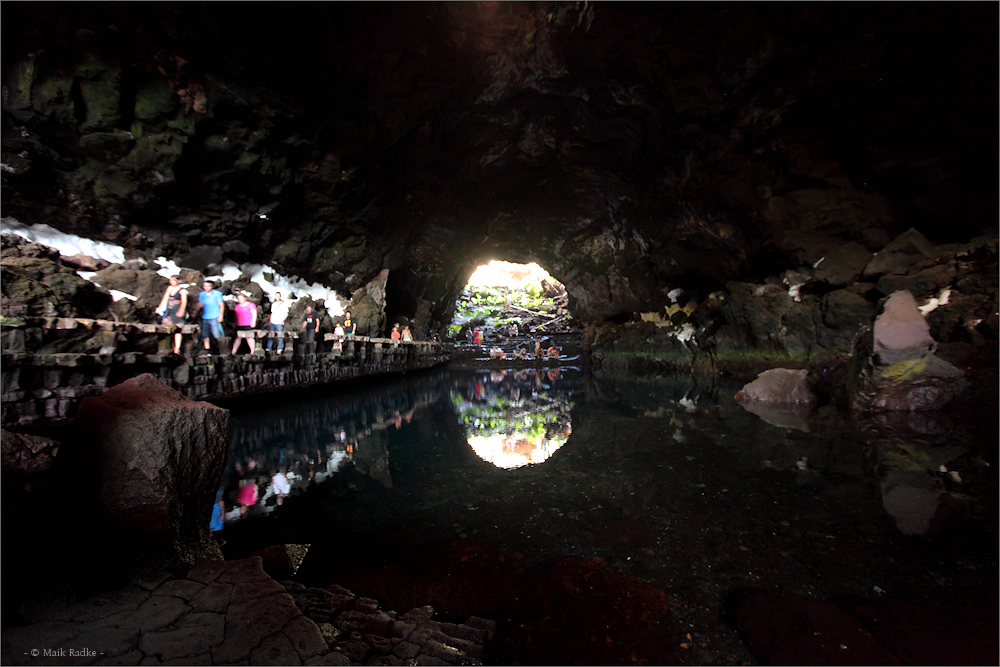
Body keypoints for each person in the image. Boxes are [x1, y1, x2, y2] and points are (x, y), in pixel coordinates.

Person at [155, 275, 187, 355]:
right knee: (166, 326)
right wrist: (160, 308)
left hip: (177, 309)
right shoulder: (169, 288)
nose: (171, 282)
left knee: (178, 329)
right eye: (171, 280)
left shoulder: (182, 290)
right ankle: (166, 347)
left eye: (173, 280)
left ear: (178, 281)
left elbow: (184, 301)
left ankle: (177, 348)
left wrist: (182, 311)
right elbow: (165, 298)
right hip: (169, 310)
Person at [198, 280, 225, 353]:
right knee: (205, 334)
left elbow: (221, 305)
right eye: (204, 286)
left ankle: (221, 349)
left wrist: (221, 315)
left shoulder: (217, 294)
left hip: (214, 316)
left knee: (217, 334)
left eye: (208, 286)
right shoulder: (202, 294)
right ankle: (207, 350)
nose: (206, 287)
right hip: (205, 316)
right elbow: (200, 305)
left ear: (212, 286)